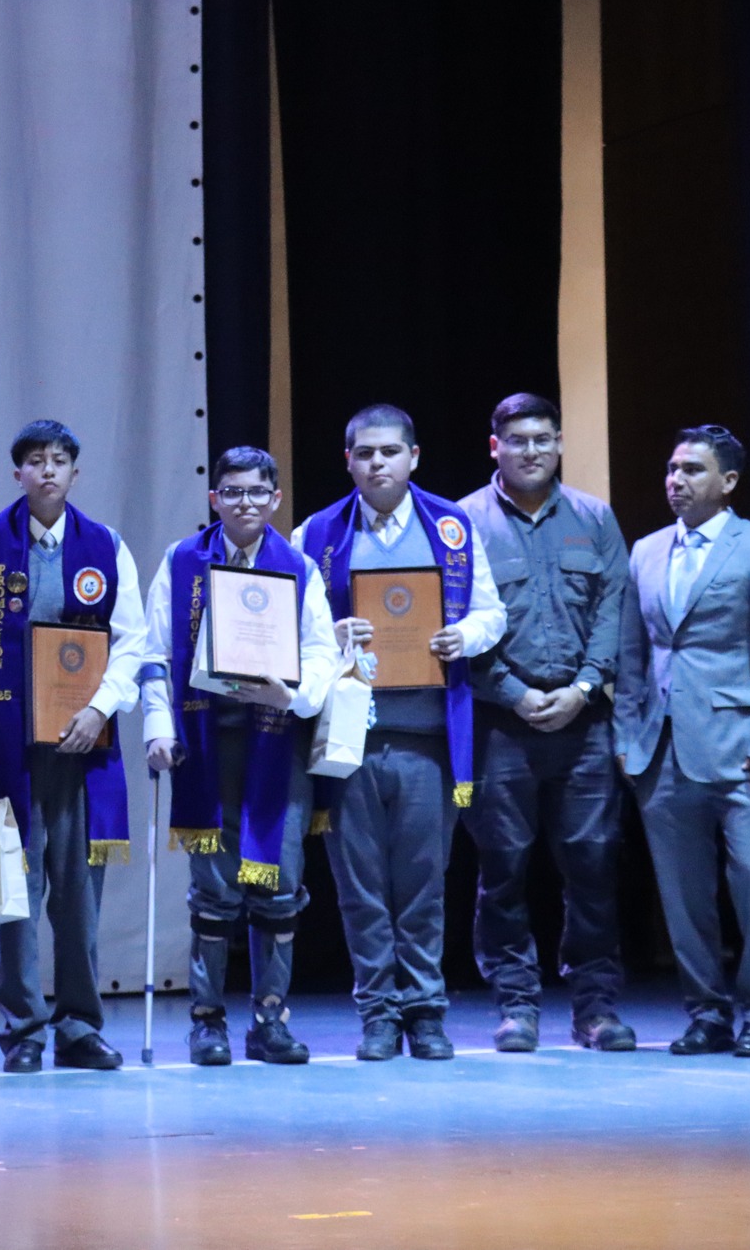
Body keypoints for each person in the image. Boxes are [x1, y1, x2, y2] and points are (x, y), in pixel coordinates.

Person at [295, 404, 506, 1061]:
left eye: (390, 451)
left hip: (425, 739)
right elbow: (294, 635)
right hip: (348, 743)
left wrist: (461, 635)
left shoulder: (451, 525)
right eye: (365, 453)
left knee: (422, 882)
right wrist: (330, 635)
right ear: (349, 460)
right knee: (360, 887)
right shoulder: (317, 533)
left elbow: (492, 612)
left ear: (413, 456)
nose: (377, 463)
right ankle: (378, 1013)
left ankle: (425, 1009)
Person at [0, 420, 146, 1072]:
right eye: (35, 461)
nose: (48, 471)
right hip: (9, 747)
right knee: (13, 893)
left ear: (75, 472)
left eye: (60, 460)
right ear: (18, 474)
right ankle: (25, 1028)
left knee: (77, 895)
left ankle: (81, 1025)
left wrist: (98, 708)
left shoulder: (106, 546)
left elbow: (132, 641)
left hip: (83, 747)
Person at [140, 446, 339, 1066]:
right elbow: (154, 652)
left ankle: (270, 1019)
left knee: (276, 884)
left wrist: (295, 694)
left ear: (275, 499)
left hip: (275, 744)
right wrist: (156, 728)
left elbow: (325, 654)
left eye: (257, 493)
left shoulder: (300, 567)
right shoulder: (181, 562)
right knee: (214, 889)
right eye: (233, 493)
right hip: (203, 746)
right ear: (214, 499)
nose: (245, 504)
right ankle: (206, 1020)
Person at [615, 425, 750, 1058]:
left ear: (727, 482)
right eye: (672, 468)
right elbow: (631, 652)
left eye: (693, 470)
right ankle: (705, 1010)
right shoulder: (644, 552)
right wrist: (625, 734)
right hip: (660, 747)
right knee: (682, 889)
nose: (677, 480)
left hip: (741, 748)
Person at [457, 396, 635, 1053]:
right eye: (517, 439)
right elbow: (453, 624)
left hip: (584, 726)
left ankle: (596, 1009)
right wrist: (512, 691)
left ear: (559, 442)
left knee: (591, 865)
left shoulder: (593, 517)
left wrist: (586, 687)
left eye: (543, 439)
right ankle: (516, 1004)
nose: (531, 450)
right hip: (500, 726)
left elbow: (615, 610)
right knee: (502, 867)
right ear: (495, 445)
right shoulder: (464, 523)